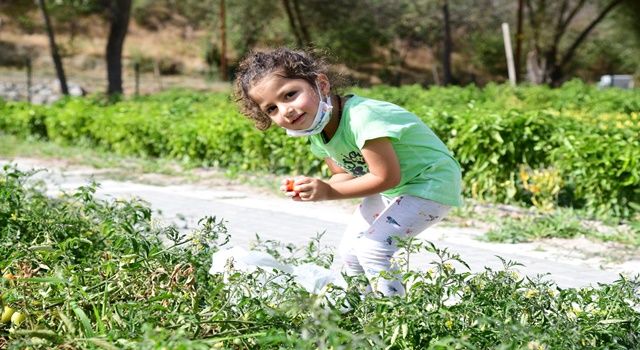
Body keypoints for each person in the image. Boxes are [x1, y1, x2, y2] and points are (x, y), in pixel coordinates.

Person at [233, 47, 462, 296]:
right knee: (351, 252)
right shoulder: (318, 132)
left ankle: (394, 319)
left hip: (429, 181)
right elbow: (346, 174)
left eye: (289, 95)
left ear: (321, 84)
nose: (285, 111)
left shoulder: (362, 118)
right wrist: (315, 186)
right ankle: (359, 312)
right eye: (271, 109)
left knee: (373, 250)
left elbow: (385, 177)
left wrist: (328, 191)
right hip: (398, 187)